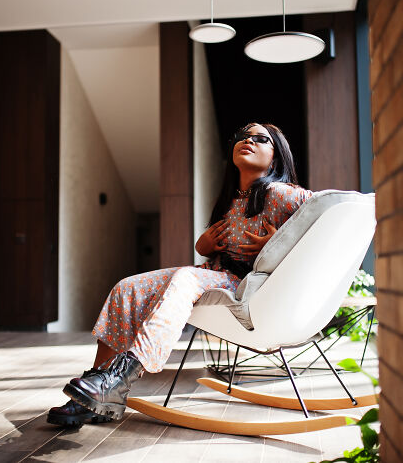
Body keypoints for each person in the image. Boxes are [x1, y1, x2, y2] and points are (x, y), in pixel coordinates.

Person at [47, 122, 313, 426]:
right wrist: (205, 244)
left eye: (260, 139)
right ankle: (96, 394)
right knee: (127, 288)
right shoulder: (232, 198)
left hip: (243, 286)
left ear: (276, 156)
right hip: (214, 274)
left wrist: (279, 244)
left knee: (185, 279)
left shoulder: (279, 193)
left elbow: (328, 211)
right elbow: (215, 248)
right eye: (242, 135)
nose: (247, 140)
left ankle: (120, 377)